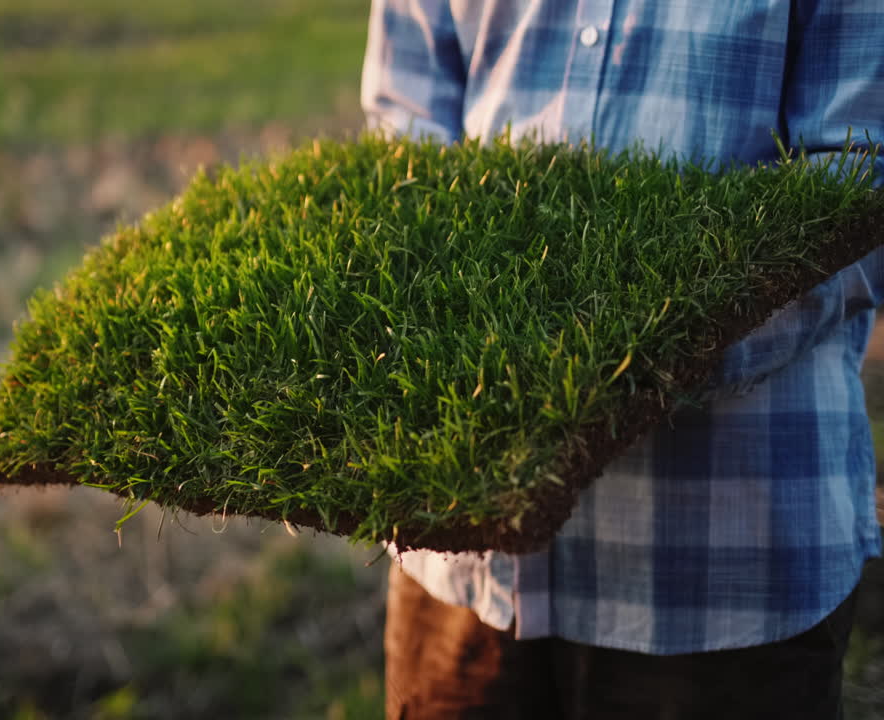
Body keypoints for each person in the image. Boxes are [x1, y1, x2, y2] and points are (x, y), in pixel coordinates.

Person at [361, 1, 884, 717]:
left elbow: (859, 182)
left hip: (720, 574)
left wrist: (630, 364)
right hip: (456, 559)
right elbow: (406, 118)